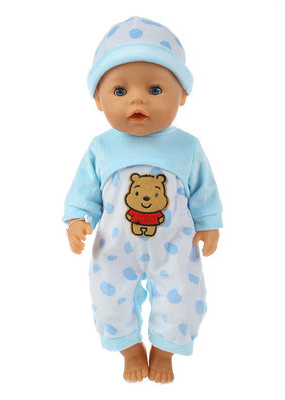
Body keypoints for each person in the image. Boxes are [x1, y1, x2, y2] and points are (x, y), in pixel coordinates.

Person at [63, 16, 223, 383]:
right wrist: (77, 220)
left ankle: (164, 352)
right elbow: (84, 192)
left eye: (154, 89)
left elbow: (205, 190)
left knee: (184, 301)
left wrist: (209, 223)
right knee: (109, 303)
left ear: (182, 96)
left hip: (176, 248)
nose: (137, 99)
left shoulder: (187, 147)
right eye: (120, 91)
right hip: (114, 250)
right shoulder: (101, 148)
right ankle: (130, 349)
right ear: (98, 100)